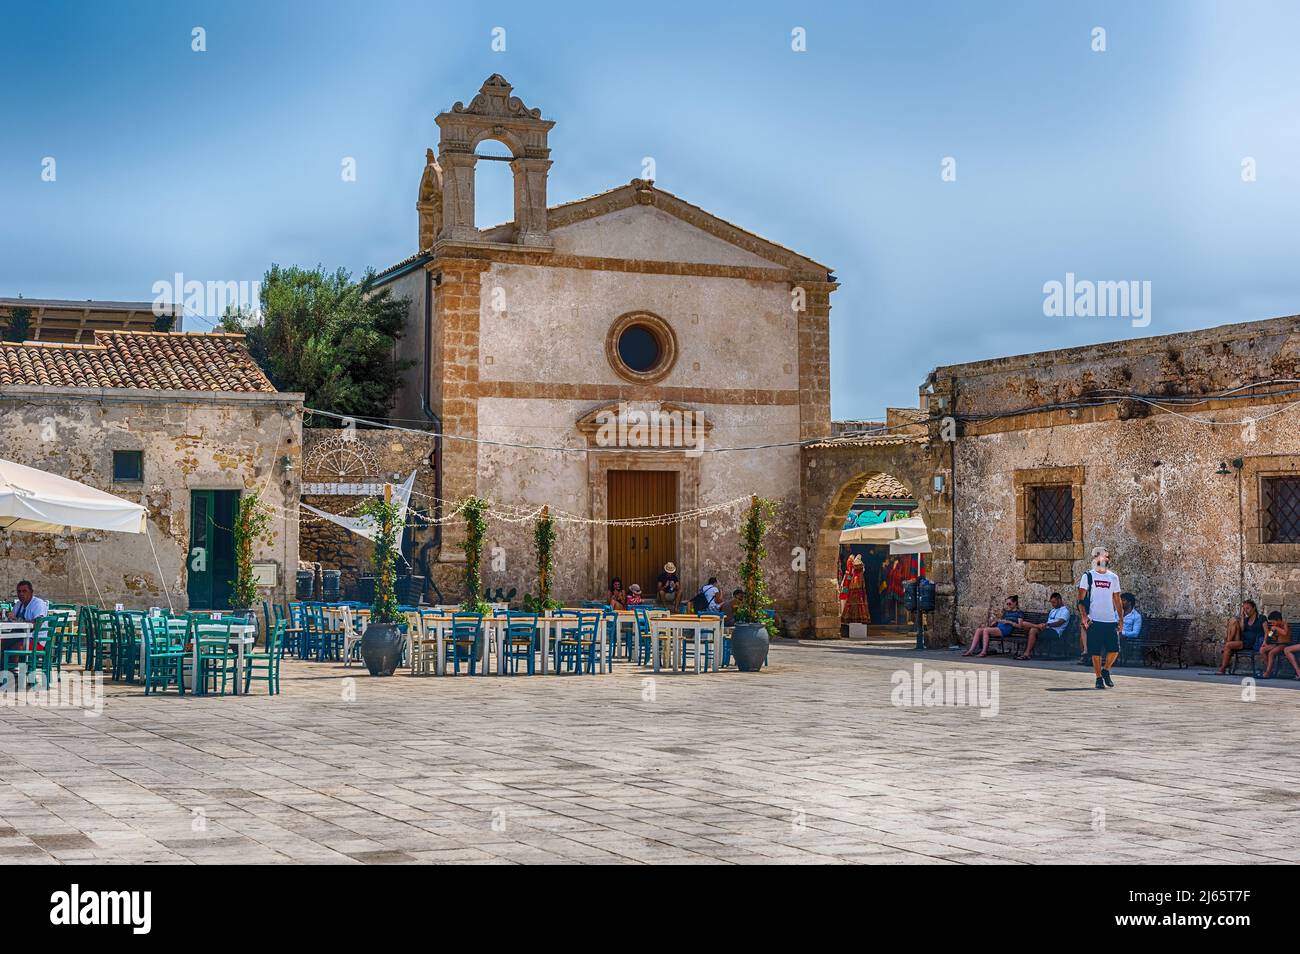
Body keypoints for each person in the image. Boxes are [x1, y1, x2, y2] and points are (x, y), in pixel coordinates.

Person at [1079, 546, 1123, 689]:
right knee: (1095, 651)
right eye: (1103, 556)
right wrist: (1084, 617)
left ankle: (1105, 670)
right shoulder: (1088, 576)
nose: (1105, 559)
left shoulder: (1113, 577)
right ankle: (1098, 677)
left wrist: (1121, 619)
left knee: (1115, 650)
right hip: (1094, 619)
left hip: (1110, 619)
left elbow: (1117, 599)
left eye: (1107, 557)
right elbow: (1080, 599)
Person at [1216, 599, 1266, 674]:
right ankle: (1227, 649)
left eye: (1248, 608)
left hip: (1251, 643)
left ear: (1254, 608)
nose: (1246, 611)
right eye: (1244, 609)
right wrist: (1242, 616)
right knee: (1233, 621)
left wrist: (1265, 642)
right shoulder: (1246, 620)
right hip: (1243, 640)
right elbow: (1242, 629)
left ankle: (1223, 667)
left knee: (1228, 645)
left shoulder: (1261, 618)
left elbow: (1267, 632)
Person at [1016, 592, 1069, 660]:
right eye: (1051, 603)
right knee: (1023, 624)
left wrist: (1047, 624)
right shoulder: (1053, 610)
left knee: (1033, 630)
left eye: (1054, 602)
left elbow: (1060, 623)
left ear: (1059, 600)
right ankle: (1037, 626)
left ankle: (1026, 653)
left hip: (1055, 632)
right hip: (1046, 628)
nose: (1052, 605)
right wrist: (1044, 625)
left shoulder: (1065, 611)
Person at [1259, 611, 1291, 678]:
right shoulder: (1276, 626)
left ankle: (1267, 672)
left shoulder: (1285, 624)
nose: (1272, 624)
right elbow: (1271, 636)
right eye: (1271, 623)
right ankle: (1270, 669)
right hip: (1277, 644)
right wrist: (1271, 632)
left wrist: (1276, 628)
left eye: (1273, 622)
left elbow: (1285, 633)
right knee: (1262, 650)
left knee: (1271, 653)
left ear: (1279, 620)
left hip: (1284, 644)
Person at [842, 555, 869, 626]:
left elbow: (852, 572)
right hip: (855, 581)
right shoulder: (854, 565)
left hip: (855, 581)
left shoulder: (853, 567)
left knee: (856, 598)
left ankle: (855, 618)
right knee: (856, 599)